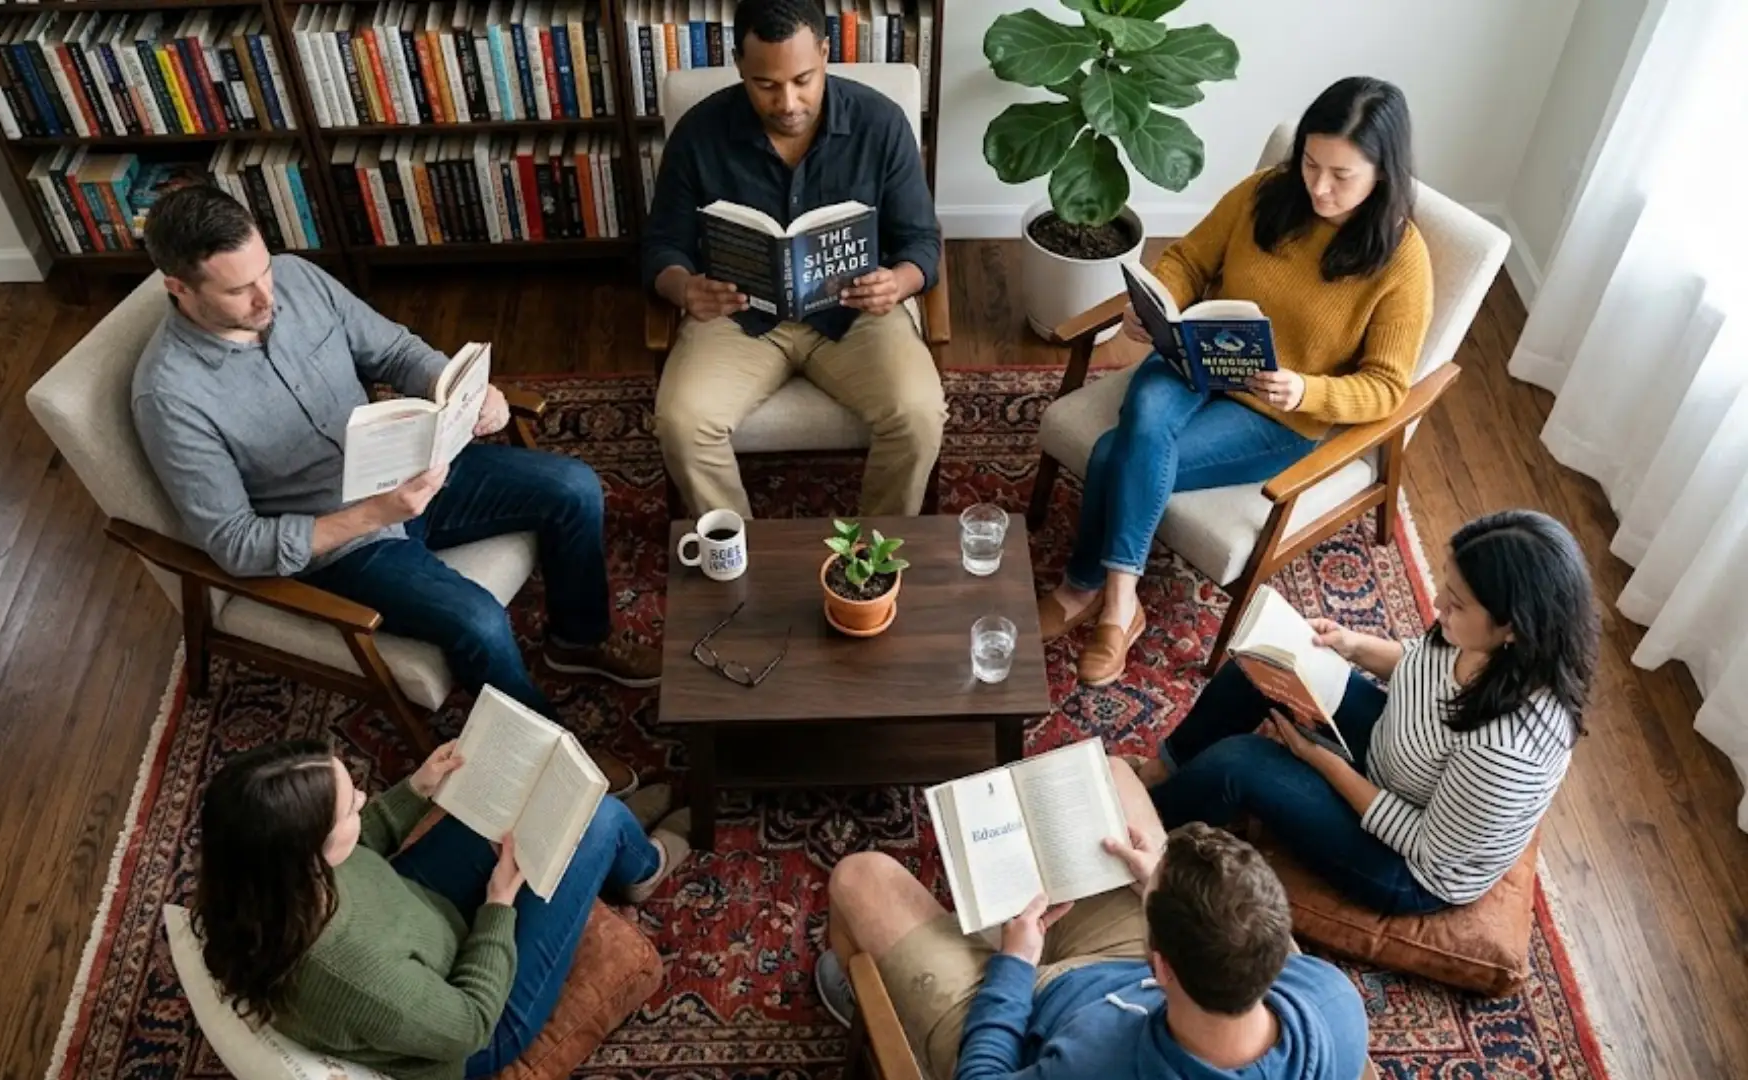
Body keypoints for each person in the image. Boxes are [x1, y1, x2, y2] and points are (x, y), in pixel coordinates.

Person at [133, 185, 654, 792]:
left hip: (407, 467)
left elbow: (395, 350)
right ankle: (551, 766)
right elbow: (236, 543)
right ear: (179, 288)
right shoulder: (169, 396)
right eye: (237, 290)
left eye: (264, 271)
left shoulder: (298, 279)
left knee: (574, 486)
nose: (265, 295)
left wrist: (464, 390)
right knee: (478, 621)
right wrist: (371, 515)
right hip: (339, 540)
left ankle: (577, 638)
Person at [1040, 76, 1433, 687]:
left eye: (1341, 175)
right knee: (1145, 415)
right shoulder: (1264, 195)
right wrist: (1159, 301)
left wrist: (1306, 390)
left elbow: (1385, 388)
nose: (1319, 187)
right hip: (1195, 361)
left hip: (1277, 414)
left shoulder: (1401, 262)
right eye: (1310, 163)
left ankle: (1093, 591)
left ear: (1383, 173)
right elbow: (1189, 258)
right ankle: (1118, 603)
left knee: (1114, 451)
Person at [1135, 509, 1597, 915]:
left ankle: (1142, 829)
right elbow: (1420, 663)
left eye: (1455, 603)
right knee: (1263, 662)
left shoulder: (1507, 751)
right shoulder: (1478, 639)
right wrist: (1351, 645)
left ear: (1514, 627)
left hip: (1407, 865)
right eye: (1445, 587)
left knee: (1241, 764)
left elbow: (1423, 845)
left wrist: (1320, 762)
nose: (1438, 606)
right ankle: (1166, 769)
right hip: (1396, 759)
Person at [815, 758, 1369, 1080]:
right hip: (1134, 982)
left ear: (1165, 966)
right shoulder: (1333, 1001)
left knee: (859, 877)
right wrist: (1159, 881)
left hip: (1028, 1013)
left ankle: (862, 1000)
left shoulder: (1096, 1060)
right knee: (1114, 775)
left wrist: (1013, 967)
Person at [191, 738, 691, 1080]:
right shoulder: (350, 974)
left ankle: (618, 839)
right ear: (306, 852)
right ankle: (641, 866)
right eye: (349, 807)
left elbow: (358, 846)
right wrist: (498, 906)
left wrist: (416, 789)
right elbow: (470, 1023)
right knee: (598, 821)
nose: (364, 799)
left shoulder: (258, 877)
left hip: (419, 913)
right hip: (480, 1018)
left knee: (532, 795)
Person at [643, 0, 946, 519]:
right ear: (740, 65)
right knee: (682, 421)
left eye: (803, 79)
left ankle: (873, 554)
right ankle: (736, 552)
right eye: (766, 85)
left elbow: (921, 239)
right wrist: (683, 288)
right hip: (736, 316)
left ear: (826, 54)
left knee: (918, 414)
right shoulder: (699, 133)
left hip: (856, 315)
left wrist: (898, 282)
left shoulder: (881, 124)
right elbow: (660, 245)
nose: (788, 101)